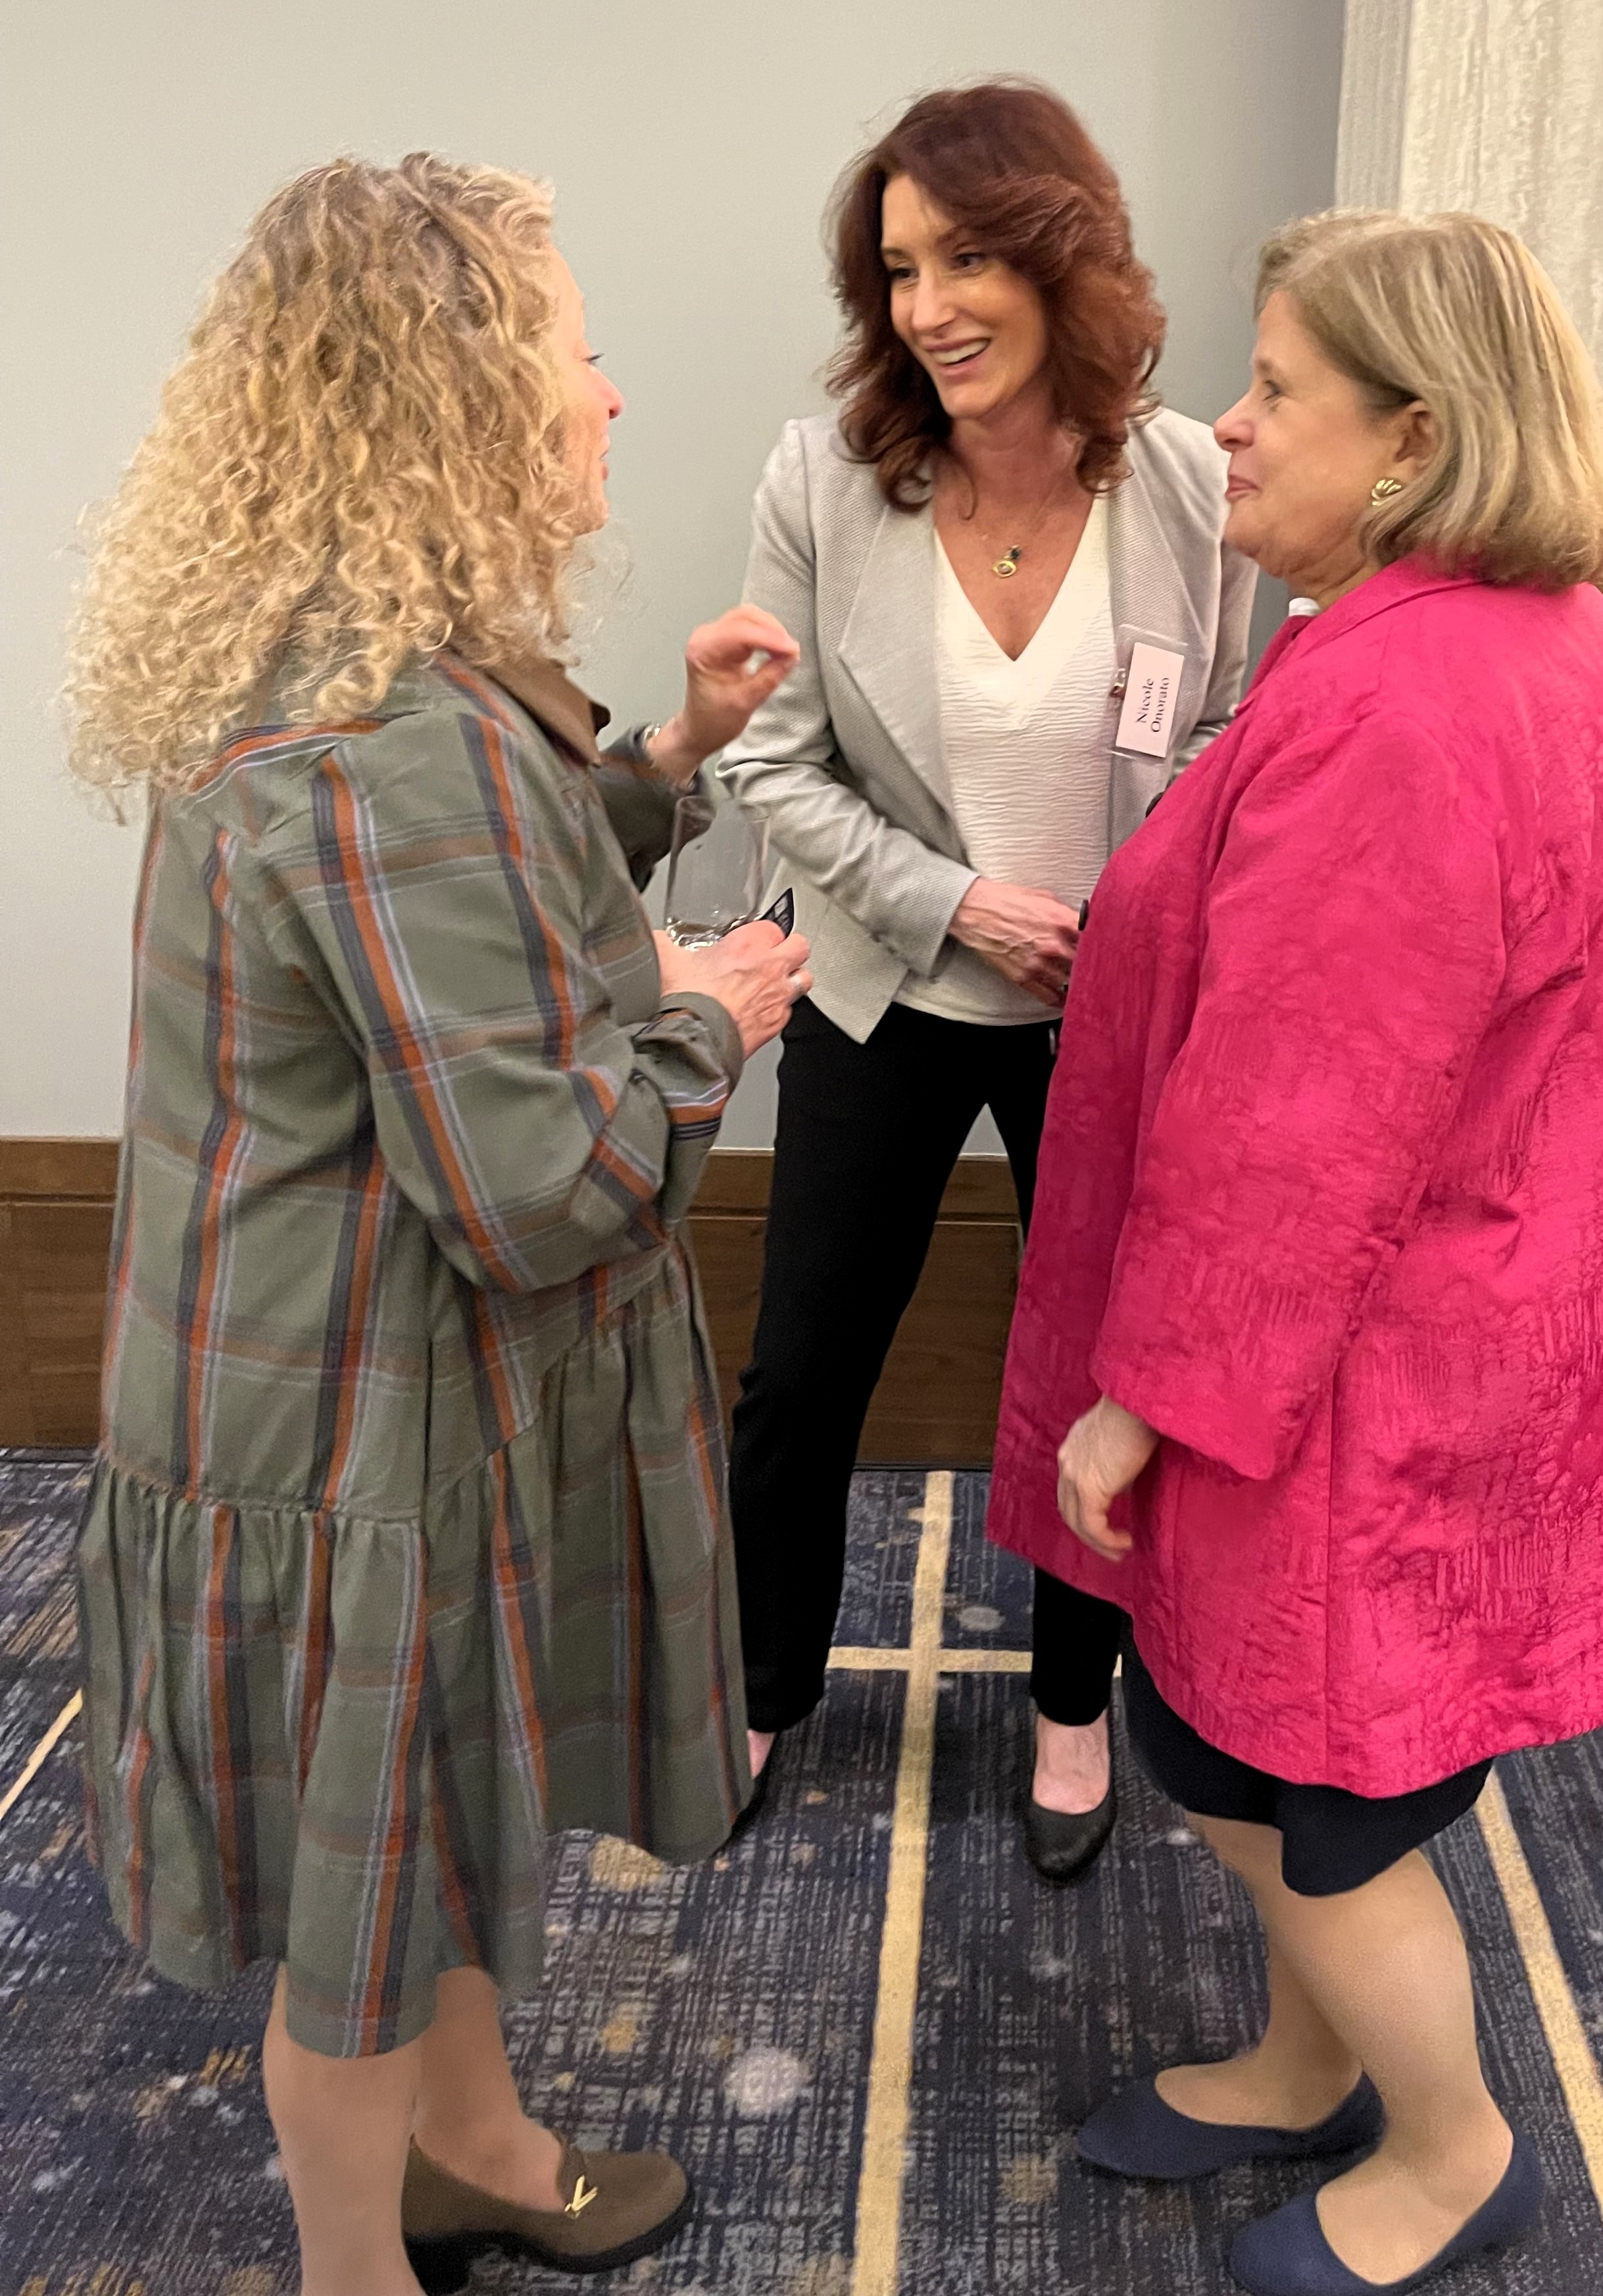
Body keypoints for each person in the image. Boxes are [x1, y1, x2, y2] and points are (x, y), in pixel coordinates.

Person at [63, 155, 811, 2295]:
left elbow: (479, 919)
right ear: (459, 398)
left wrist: (670, 754)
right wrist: (707, 1017)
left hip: (333, 1396)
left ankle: (474, 2153)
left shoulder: (352, 669)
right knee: (365, 1919)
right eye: (576, 349)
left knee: (419, 1844)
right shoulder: (398, 738)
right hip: (358, 1431)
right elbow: (536, 1188)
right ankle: (354, 2258)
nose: (608, 391)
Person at [988, 208, 1603, 2294]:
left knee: (1280, 1771)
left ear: (1416, 437)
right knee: (1285, 1755)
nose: (1228, 422)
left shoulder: (1409, 694)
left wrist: (1146, 1396)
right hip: (1427, 1319)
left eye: (1278, 385)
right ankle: (1307, 2062)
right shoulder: (1495, 624)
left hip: (1353, 1364)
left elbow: (1303, 1114)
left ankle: (1457, 2151)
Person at [714, 80, 1256, 1879]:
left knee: (1098, 1377)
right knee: (802, 1373)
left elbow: (1231, 741)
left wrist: (1132, 914)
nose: (929, 306)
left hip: (1106, 1012)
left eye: (964, 260)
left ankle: (1072, 1704)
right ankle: (762, 1683)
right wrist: (961, 904)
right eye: (898, 270)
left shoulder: (1188, 481)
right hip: (889, 986)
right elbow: (771, 761)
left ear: (1059, 258)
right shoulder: (824, 479)